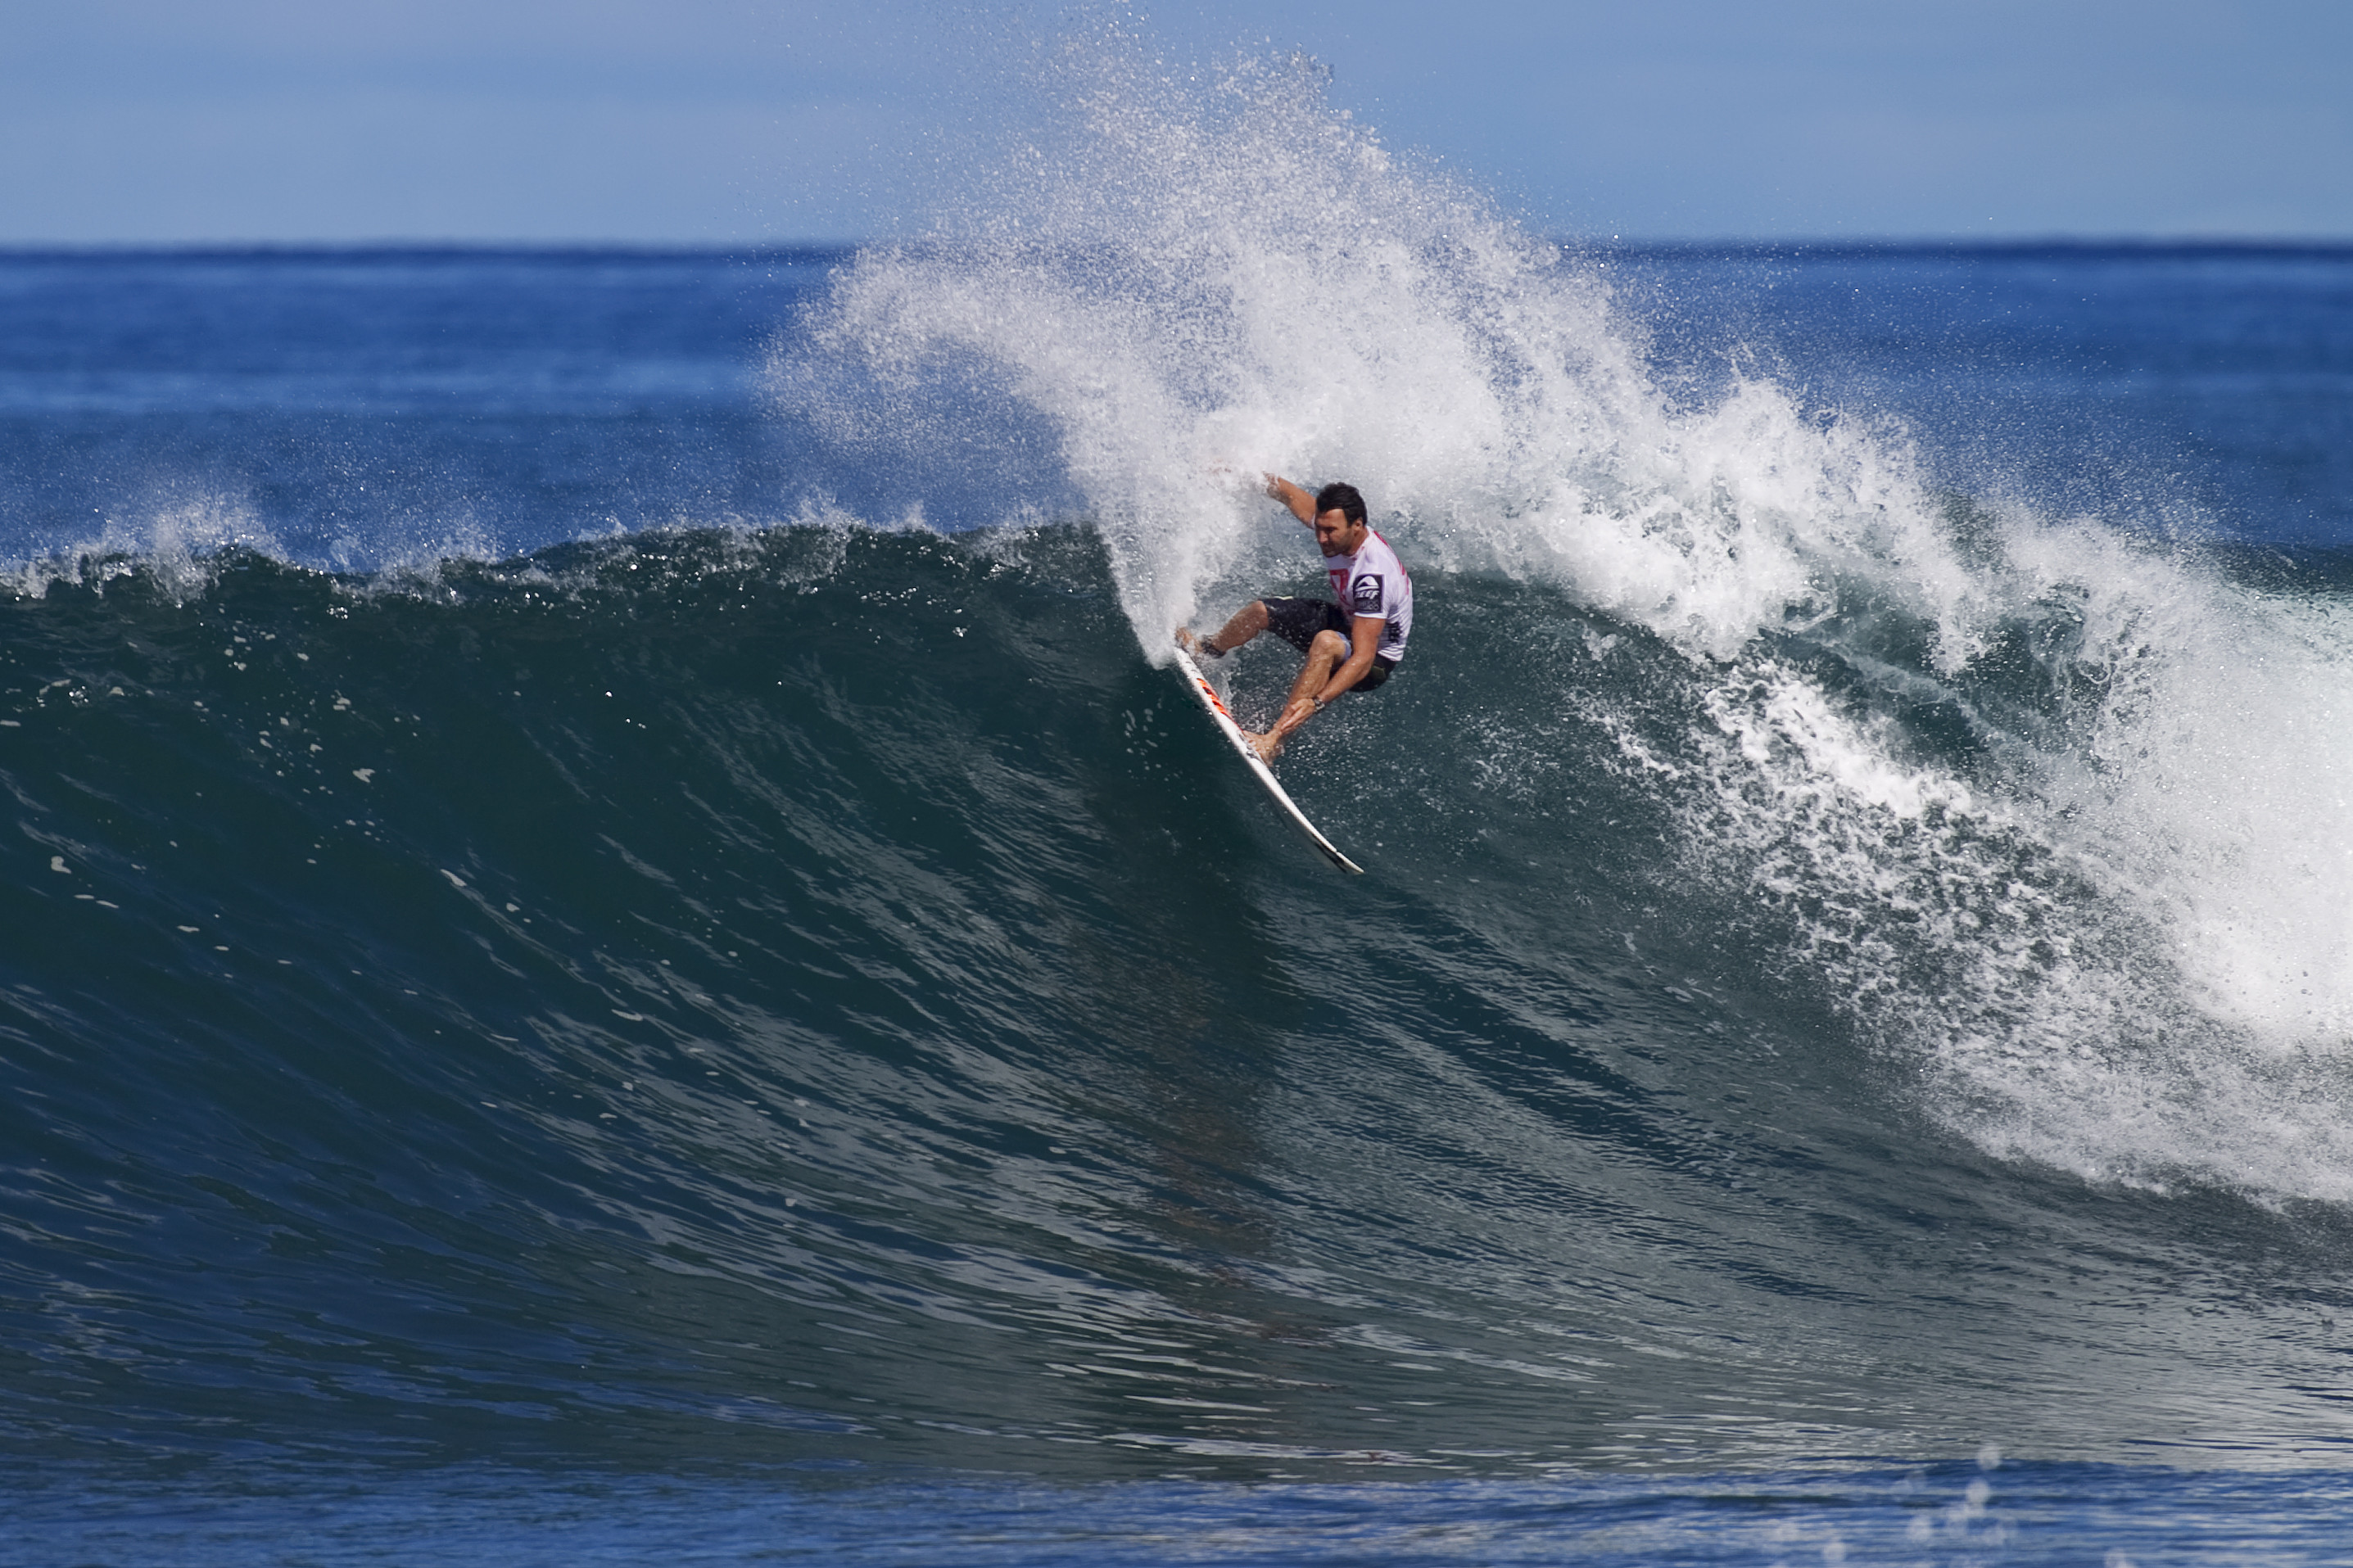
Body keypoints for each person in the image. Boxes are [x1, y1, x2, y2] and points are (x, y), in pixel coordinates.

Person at [1177, 475, 1414, 763]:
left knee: (1326, 643)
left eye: (1330, 531)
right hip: (1348, 621)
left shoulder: (1372, 579)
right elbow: (1287, 493)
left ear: (1358, 526)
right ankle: (1208, 650)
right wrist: (1238, 472)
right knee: (1262, 611)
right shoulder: (1337, 530)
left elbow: (1363, 658)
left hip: (1375, 660)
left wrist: (1316, 702)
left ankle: (1273, 742)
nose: (1322, 538)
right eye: (1320, 528)